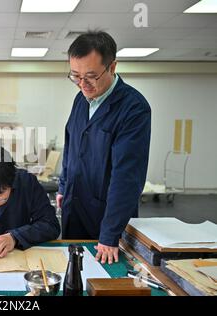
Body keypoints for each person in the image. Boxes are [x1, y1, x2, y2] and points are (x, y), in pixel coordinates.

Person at [57, 31, 151, 265]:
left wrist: (110, 235)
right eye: (75, 76)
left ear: (112, 67)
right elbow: (70, 145)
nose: (82, 84)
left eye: (90, 76)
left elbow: (127, 177)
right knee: (72, 274)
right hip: (74, 207)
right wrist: (63, 186)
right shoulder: (81, 99)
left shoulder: (134, 108)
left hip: (106, 218)